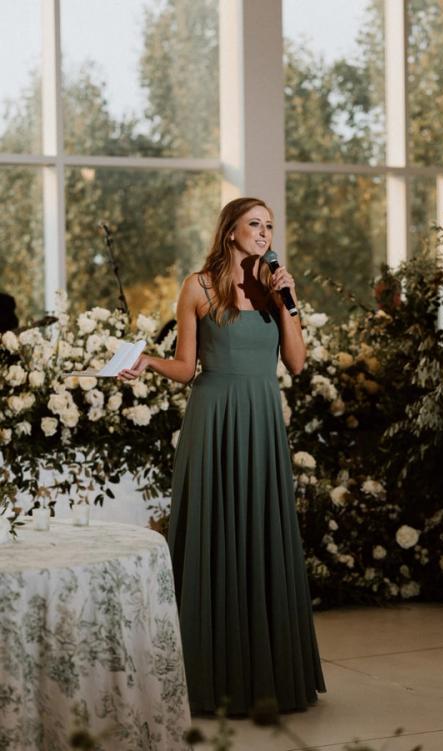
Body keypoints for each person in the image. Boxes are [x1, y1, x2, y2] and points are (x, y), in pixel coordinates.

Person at [118, 197, 326, 715]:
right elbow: (188, 368)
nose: (263, 232)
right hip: (213, 421)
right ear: (230, 231)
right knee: (215, 537)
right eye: (254, 224)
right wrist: (147, 361)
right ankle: (209, 677)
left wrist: (288, 302)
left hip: (260, 422)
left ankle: (267, 675)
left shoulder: (274, 287)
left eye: (270, 226)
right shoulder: (199, 286)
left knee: (259, 534)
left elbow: (297, 364)